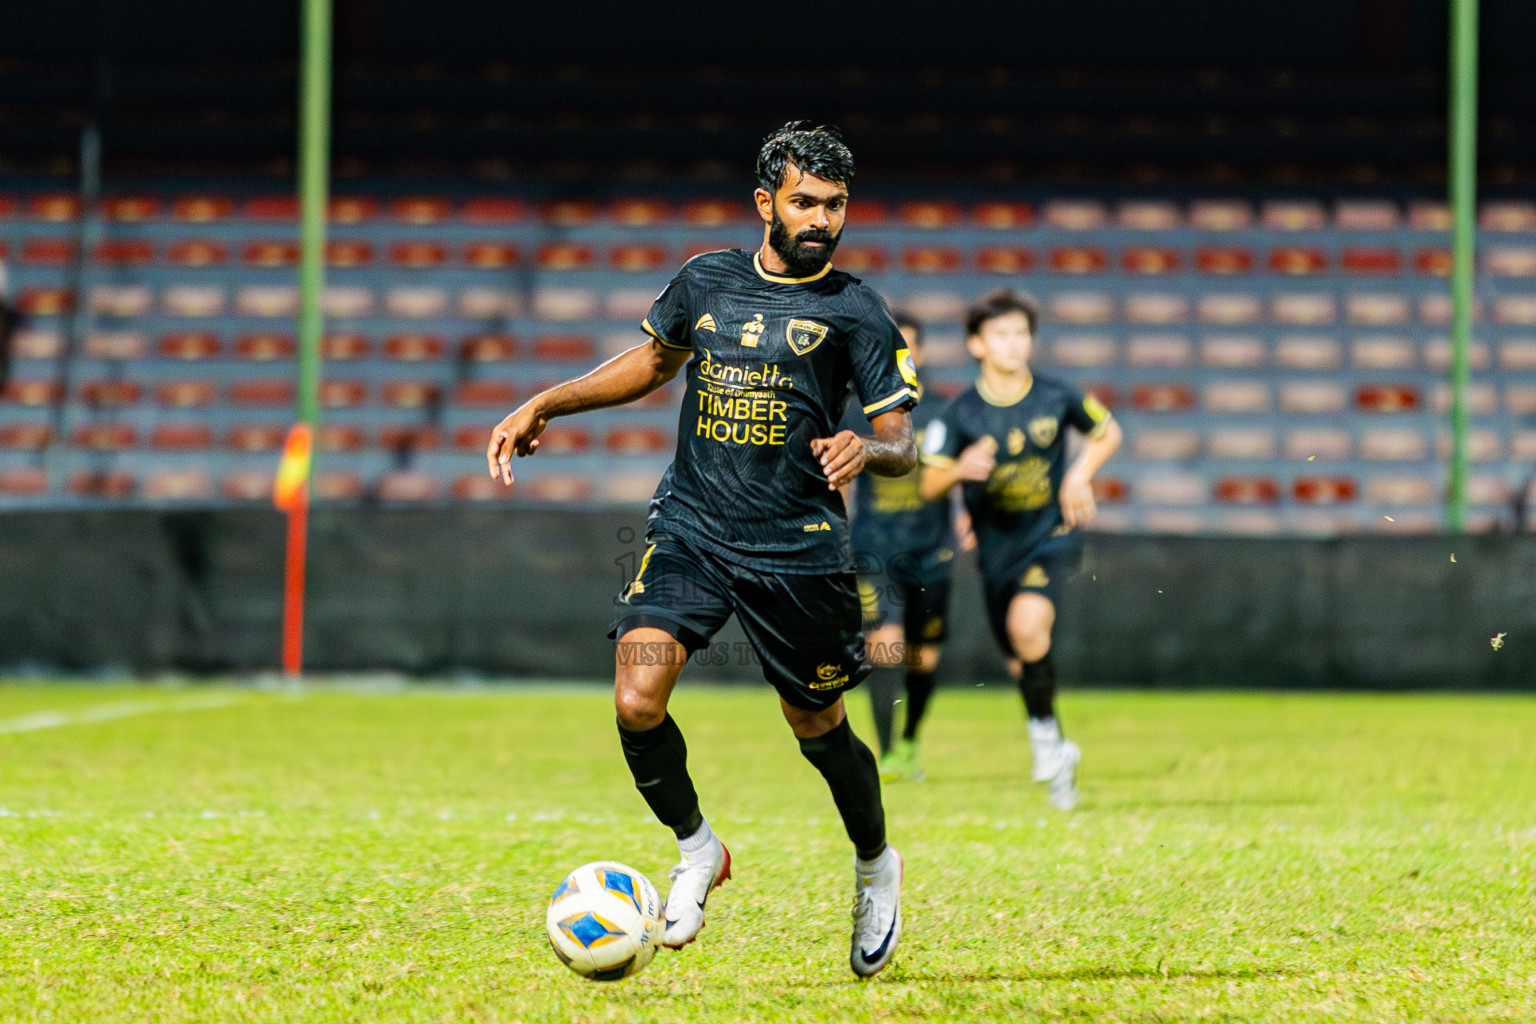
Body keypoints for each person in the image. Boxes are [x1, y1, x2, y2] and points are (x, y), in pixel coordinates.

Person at [486, 122, 917, 977]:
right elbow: (654, 361)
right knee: (637, 698)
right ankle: (697, 851)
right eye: (804, 202)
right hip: (691, 529)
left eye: (834, 205)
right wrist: (548, 401)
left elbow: (902, 438)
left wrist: (865, 449)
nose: (821, 220)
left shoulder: (857, 311)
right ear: (766, 203)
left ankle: (875, 865)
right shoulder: (706, 279)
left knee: (818, 726)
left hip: (797, 552)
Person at [918, 288, 1122, 810]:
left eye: (1021, 333)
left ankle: (1043, 741)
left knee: (1027, 627)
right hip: (995, 549)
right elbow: (928, 484)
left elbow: (1108, 432)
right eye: (1001, 334)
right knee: (1018, 658)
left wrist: (1078, 476)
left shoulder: (1056, 394)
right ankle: (1053, 740)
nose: (1013, 344)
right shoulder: (960, 413)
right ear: (977, 345)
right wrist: (962, 470)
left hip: (1052, 536)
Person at [839, 313, 964, 783]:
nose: (902, 358)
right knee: (884, 648)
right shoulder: (856, 411)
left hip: (932, 549)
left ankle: (911, 738)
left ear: (923, 354)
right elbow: (842, 478)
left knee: (924, 656)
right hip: (874, 549)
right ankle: (888, 751)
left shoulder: (944, 412)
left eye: (909, 348)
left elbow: (956, 477)